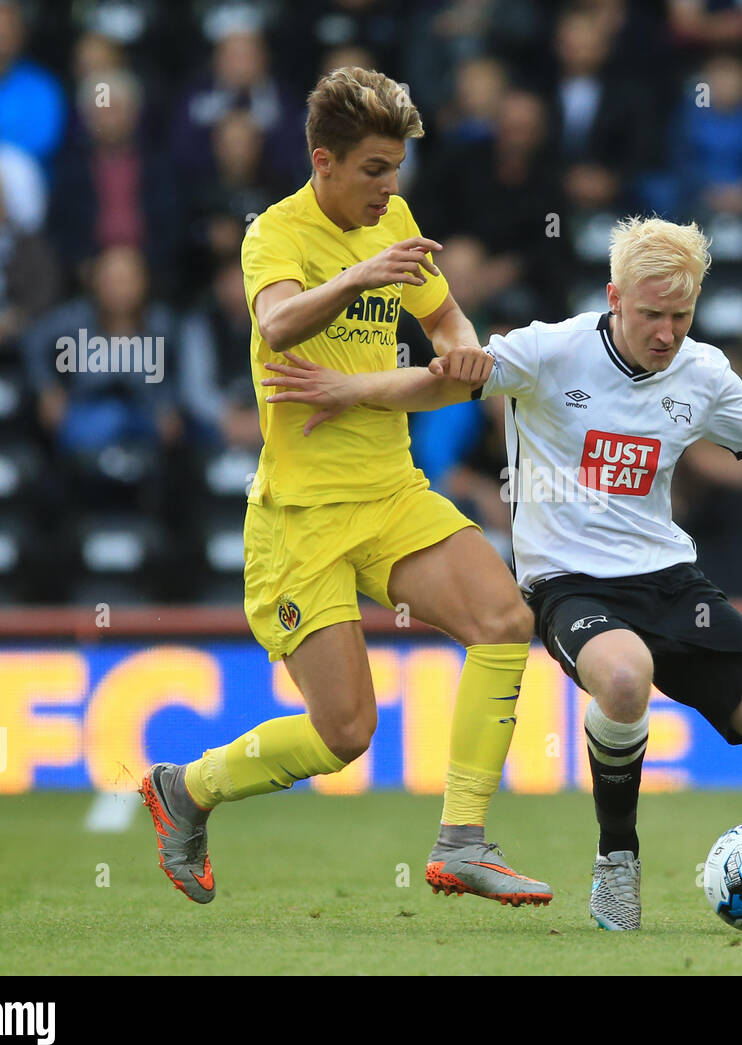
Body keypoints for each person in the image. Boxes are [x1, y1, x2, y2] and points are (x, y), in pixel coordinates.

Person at [261, 216, 742, 932]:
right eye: (652, 314)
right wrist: (352, 390)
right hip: (571, 585)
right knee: (623, 677)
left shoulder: (704, 372)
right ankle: (616, 861)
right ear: (615, 297)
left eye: (681, 315)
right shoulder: (551, 350)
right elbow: (444, 382)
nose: (667, 331)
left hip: (674, 583)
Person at [139, 67, 551, 908]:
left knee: (506, 617)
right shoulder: (274, 234)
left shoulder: (392, 217)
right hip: (302, 517)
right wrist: (360, 279)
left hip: (391, 490)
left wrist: (464, 346)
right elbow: (277, 321)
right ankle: (186, 789)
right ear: (322, 161)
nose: (388, 187)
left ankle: (462, 841)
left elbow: (443, 319)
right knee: (346, 734)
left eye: (396, 168)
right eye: (372, 169)